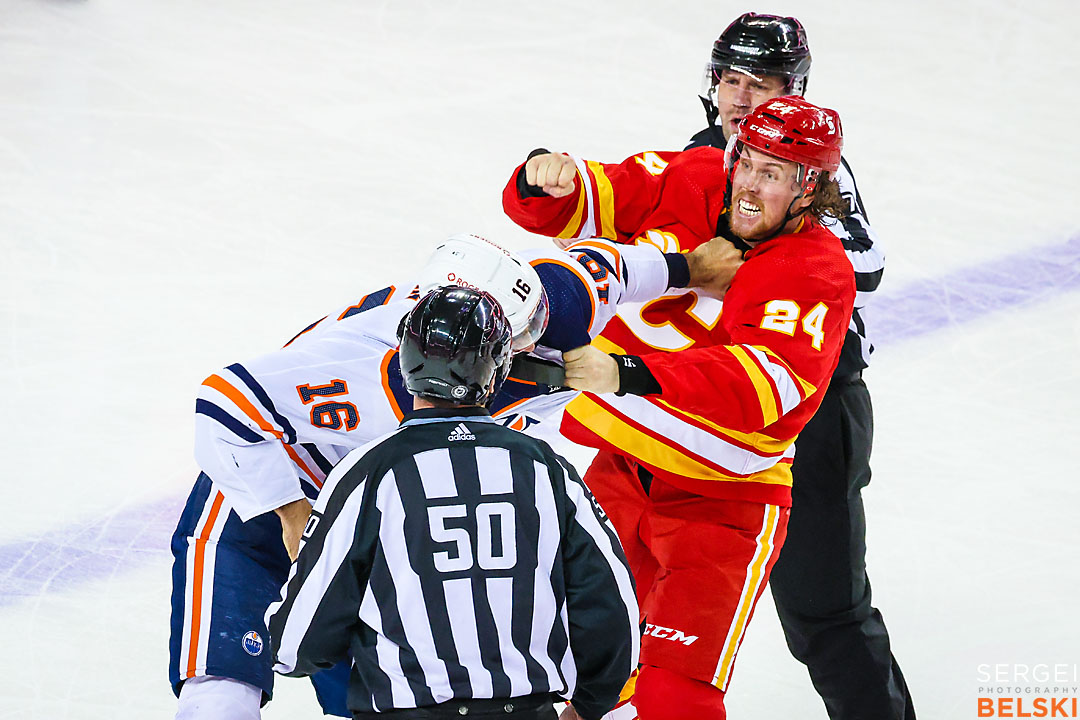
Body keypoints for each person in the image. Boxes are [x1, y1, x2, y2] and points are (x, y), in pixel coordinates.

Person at [169, 233, 742, 719]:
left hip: (372, 510)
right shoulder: (370, 369)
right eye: (515, 344)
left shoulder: (553, 305)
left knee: (371, 689)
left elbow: (607, 267)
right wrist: (294, 516)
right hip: (266, 485)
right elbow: (227, 404)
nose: (533, 353)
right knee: (224, 685)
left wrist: (686, 268)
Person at [503, 96, 855, 719]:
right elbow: (589, 197)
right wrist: (546, 174)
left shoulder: (815, 270)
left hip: (723, 505)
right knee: (572, 666)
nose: (747, 184)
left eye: (771, 174)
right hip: (620, 472)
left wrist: (627, 372)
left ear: (811, 187)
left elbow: (759, 389)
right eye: (746, 160)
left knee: (674, 696)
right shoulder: (693, 175)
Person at [266, 285, 639, 720]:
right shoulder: (546, 470)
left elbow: (299, 640)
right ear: (497, 369)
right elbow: (613, 608)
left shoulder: (368, 471)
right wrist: (590, 703)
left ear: (407, 362)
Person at [690, 14, 914, 720]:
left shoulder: (813, 161)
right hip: (723, 410)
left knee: (825, 618)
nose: (744, 97)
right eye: (733, 79)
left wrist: (764, 239)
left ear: (797, 89)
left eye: (766, 84)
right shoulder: (698, 155)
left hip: (813, 414)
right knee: (653, 602)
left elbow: (868, 262)